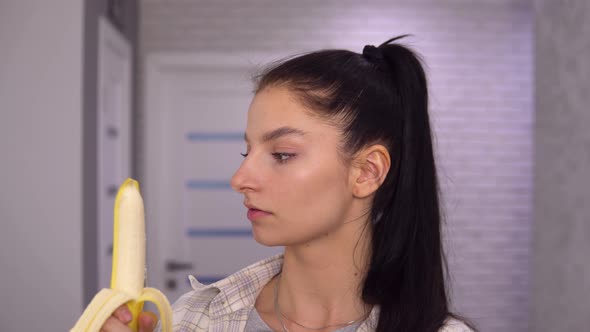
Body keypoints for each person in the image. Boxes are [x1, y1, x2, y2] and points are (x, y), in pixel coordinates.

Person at [101, 36, 477, 332]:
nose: (239, 179)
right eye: (247, 152)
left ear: (367, 172)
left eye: (282, 154)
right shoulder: (193, 319)